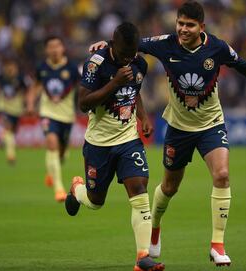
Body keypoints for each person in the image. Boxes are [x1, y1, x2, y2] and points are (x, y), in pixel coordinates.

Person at [89, 1, 246, 267]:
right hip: (178, 128)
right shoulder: (165, 43)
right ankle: (155, 226)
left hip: (211, 124)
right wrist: (105, 44)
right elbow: (131, 44)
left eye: (189, 25)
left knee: (222, 175)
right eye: (180, 23)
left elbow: (244, 65)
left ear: (201, 27)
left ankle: (217, 245)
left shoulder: (217, 47)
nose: (183, 29)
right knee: (169, 187)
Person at [64, 22, 165, 271]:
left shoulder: (138, 64)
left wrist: (142, 117)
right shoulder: (95, 64)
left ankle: (142, 257)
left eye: (131, 56)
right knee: (96, 201)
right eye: (122, 56)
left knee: (139, 186)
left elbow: (135, 91)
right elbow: (84, 103)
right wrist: (114, 83)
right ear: (112, 45)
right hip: (99, 144)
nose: (127, 61)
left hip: (128, 139)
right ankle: (78, 189)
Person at [27, 36, 80, 202]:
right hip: (47, 113)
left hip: (67, 115)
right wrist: (30, 104)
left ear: (63, 48)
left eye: (57, 45)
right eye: (51, 46)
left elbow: (82, 87)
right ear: (46, 50)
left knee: (61, 153)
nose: (54, 49)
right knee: (51, 143)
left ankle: (52, 170)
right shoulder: (41, 68)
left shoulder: (71, 68)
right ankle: (59, 189)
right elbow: (34, 86)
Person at [0, 58, 28, 165]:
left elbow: (27, 90)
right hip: (4, 108)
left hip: (17, 109)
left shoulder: (21, 78)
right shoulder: (0, 78)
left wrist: (26, 104)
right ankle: (11, 156)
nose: (10, 69)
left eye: (12, 67)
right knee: (9, 128)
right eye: (8, 67)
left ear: (15, 68)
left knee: (12, 132)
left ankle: (3, 139)